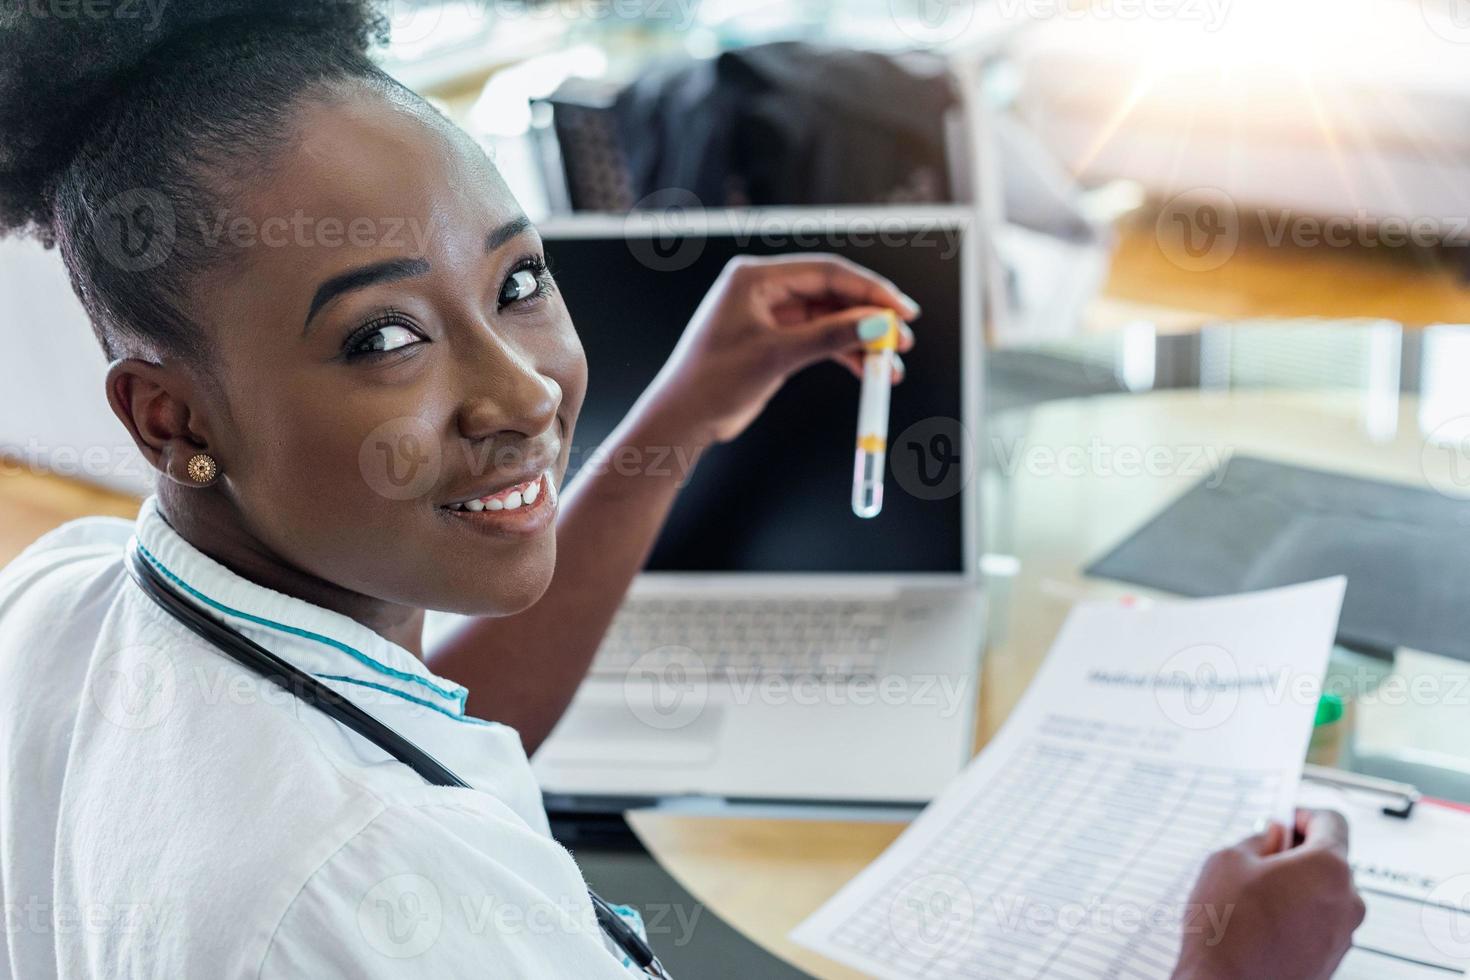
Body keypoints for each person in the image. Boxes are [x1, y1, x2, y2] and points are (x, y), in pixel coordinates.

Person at [0, 2, 1363, 976]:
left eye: (517, 281)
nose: (527, 392)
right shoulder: (366, 890)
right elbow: (377, 830)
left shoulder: (63, 601)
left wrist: (685, 411)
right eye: (383, 340)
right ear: (168, 417)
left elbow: (426, 737)